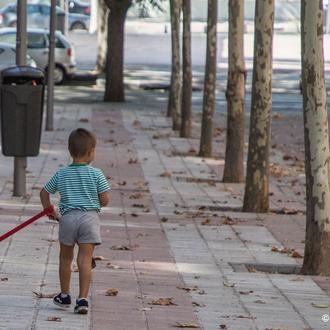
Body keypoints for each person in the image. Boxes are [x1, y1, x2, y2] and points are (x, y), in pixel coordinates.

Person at [40, 128, 110, 314]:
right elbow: (104, 200)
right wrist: (95, 202)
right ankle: (82, 300)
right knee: (85, 260)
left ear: (70, 151)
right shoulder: (97, 174)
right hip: (90, 219)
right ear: (91, 152)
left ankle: (64, 296)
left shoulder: (61, 174)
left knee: (65, 258)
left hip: (68, 219)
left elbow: (44, 192)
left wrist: (49, 210)